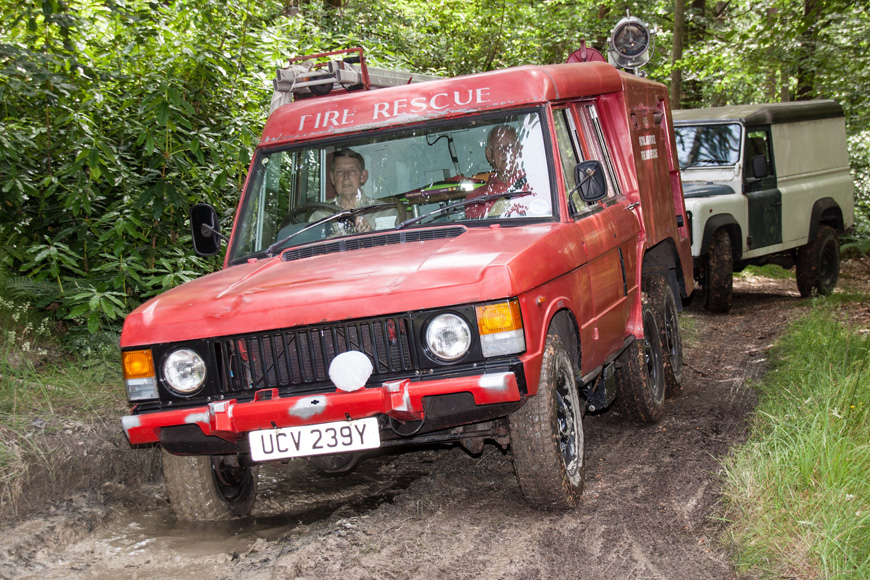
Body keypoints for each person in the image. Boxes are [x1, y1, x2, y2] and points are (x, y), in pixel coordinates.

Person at [310, 148, 398, 233]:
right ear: (332, 178)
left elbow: (390, 244)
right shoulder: (319, 217)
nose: (346, 177)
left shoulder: (383, 212)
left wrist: (370, 233)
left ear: (363, 176)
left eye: (352, 171)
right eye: (340, 172)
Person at [465, 125, 536, 219]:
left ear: (520, 151)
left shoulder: (537, 186)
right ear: (489, 155)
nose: (506, 151)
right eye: (499, 147)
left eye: (510, 146)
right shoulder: (475, 199)